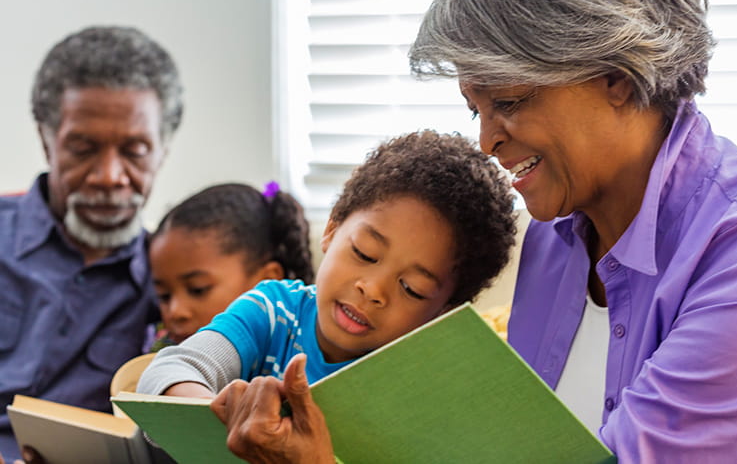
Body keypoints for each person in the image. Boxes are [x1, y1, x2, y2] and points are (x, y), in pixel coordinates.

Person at [407, 0, 737, 462]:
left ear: (615, 76)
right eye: (477, 109)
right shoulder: (553, 235)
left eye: (508, 100)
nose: (487, 141)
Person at [136, 130, 517, 462]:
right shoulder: (273, 312)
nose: (372, 289)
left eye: (411, 289)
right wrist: (221, 415)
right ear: (333, 229)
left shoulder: (421, 381)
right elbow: (167, 373)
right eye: (364, 253)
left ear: (442, 313)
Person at [0, 25, 183, 462]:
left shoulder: (176, 283)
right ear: (47, 141)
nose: (109, 177)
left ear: (163, 150)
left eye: (135, 150)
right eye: (83, 148)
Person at [148, 182, 315, 351]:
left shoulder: (304, 361)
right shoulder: (160, 356)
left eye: (198, 289)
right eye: (164, 296)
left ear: (268, 283)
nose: (175, 312)